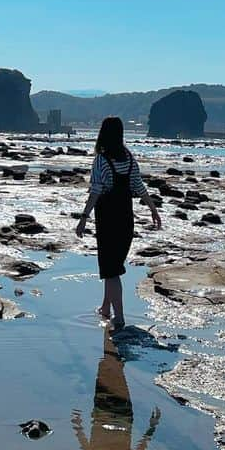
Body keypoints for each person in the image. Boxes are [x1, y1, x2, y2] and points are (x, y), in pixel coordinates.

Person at [75, 116, 161, 329]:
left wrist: (83, 218)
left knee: (111, 269)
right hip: (126, 219)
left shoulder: (101, 160)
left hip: (107, 220)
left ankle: (120, 317)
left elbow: (95, 191)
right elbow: (139, 187)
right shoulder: (129, 159)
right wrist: (153, 209)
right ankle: (106, 308)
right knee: (111, 266)